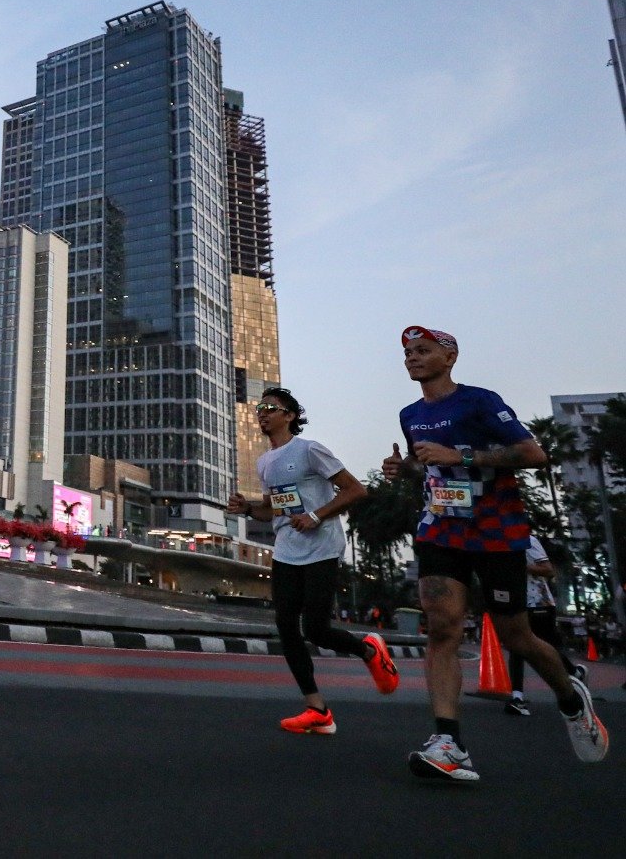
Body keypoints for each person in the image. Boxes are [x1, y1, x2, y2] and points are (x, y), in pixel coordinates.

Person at [382, 325, 607, 781]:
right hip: (440, 529)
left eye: (423, 350)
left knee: (515, 636)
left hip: (496, 530)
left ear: (450, 357)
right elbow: (428, 468)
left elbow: (533, 453)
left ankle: (569, 696)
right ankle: (449, 743)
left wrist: (461, 456)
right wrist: (403, 468)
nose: (412, 358)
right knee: (442, 628)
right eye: (407, 353)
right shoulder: (410, 413)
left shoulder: (480, 400)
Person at [228, 387, 397, 735]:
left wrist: (316, 516)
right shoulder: (264, 461)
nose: (262, 413)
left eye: (270, 408)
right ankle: (317, 708)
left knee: (316, 629)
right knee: (287, 628)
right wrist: (247, 508)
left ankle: (367, 649)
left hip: (322, 547)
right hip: (287, 550)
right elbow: (275, 509)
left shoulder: (310, 450)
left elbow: (355, 490)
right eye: (259, 408)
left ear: (289, 415)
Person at [505, 534, 585, 716]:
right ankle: (517, 698)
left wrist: (522, 567)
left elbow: (548, 570)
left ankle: (574, 672)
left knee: (547, 647)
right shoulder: (498, 544)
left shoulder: (528, 540)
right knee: (516, 646)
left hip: (539, 603)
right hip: (517, 603)